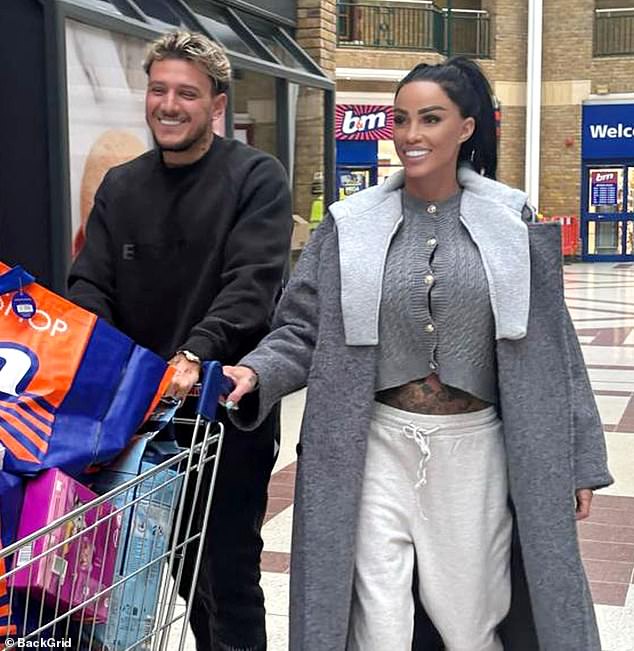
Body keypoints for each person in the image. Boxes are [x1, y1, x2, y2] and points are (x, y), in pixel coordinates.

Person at [223, 57, 613, 651]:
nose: (410, 135)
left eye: (430, 119)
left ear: (466, 127)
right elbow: (302, 328)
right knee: (375, 621)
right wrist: (257, 371)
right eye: (400, 119)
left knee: (471, 619)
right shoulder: (348, 225)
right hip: (373, 444)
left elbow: (553, 345)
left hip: (474, 448)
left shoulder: (512, 222)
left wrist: (582, 456)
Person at [68, 31, 293, 651]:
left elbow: (252, 287)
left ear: (216, 105)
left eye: (187, 94)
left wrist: (193, 354)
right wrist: (115, 365)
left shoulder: (256, 179)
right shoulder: (122, 186)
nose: (169, 105)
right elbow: (90, 283)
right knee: (175, 570)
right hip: (139, 421)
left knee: (230, 577)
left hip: (221, 420)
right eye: (159, 89)